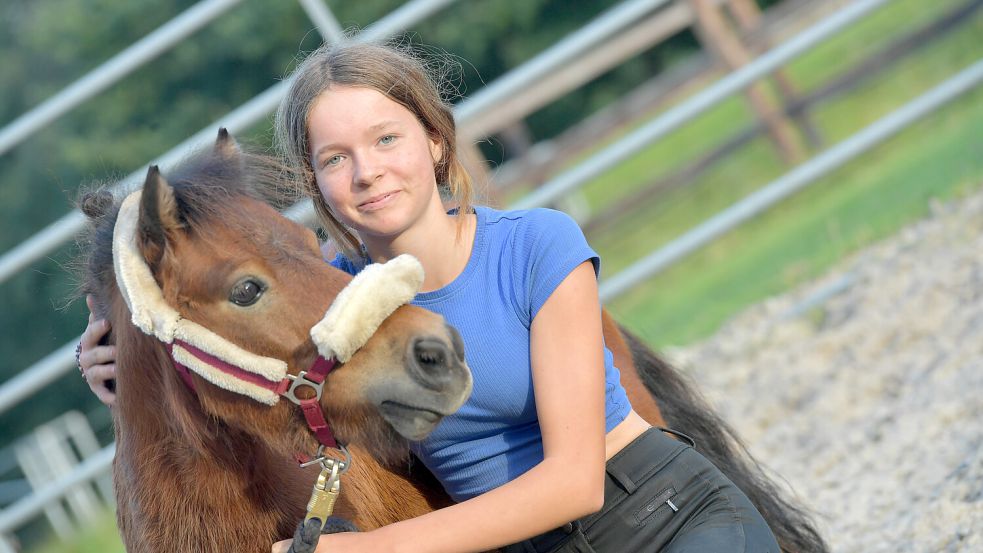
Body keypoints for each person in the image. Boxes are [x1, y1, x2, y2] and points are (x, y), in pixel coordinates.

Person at [79, 41, 780, 553]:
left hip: (656, 513)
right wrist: (131, 364)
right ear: (313, 183)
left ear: (436, 144)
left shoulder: (536, 245)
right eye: (334, 159)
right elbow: (239, 340)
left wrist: (357, 551)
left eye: (386, 139)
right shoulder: (335, 301)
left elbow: (576, 482)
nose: (367, 172)